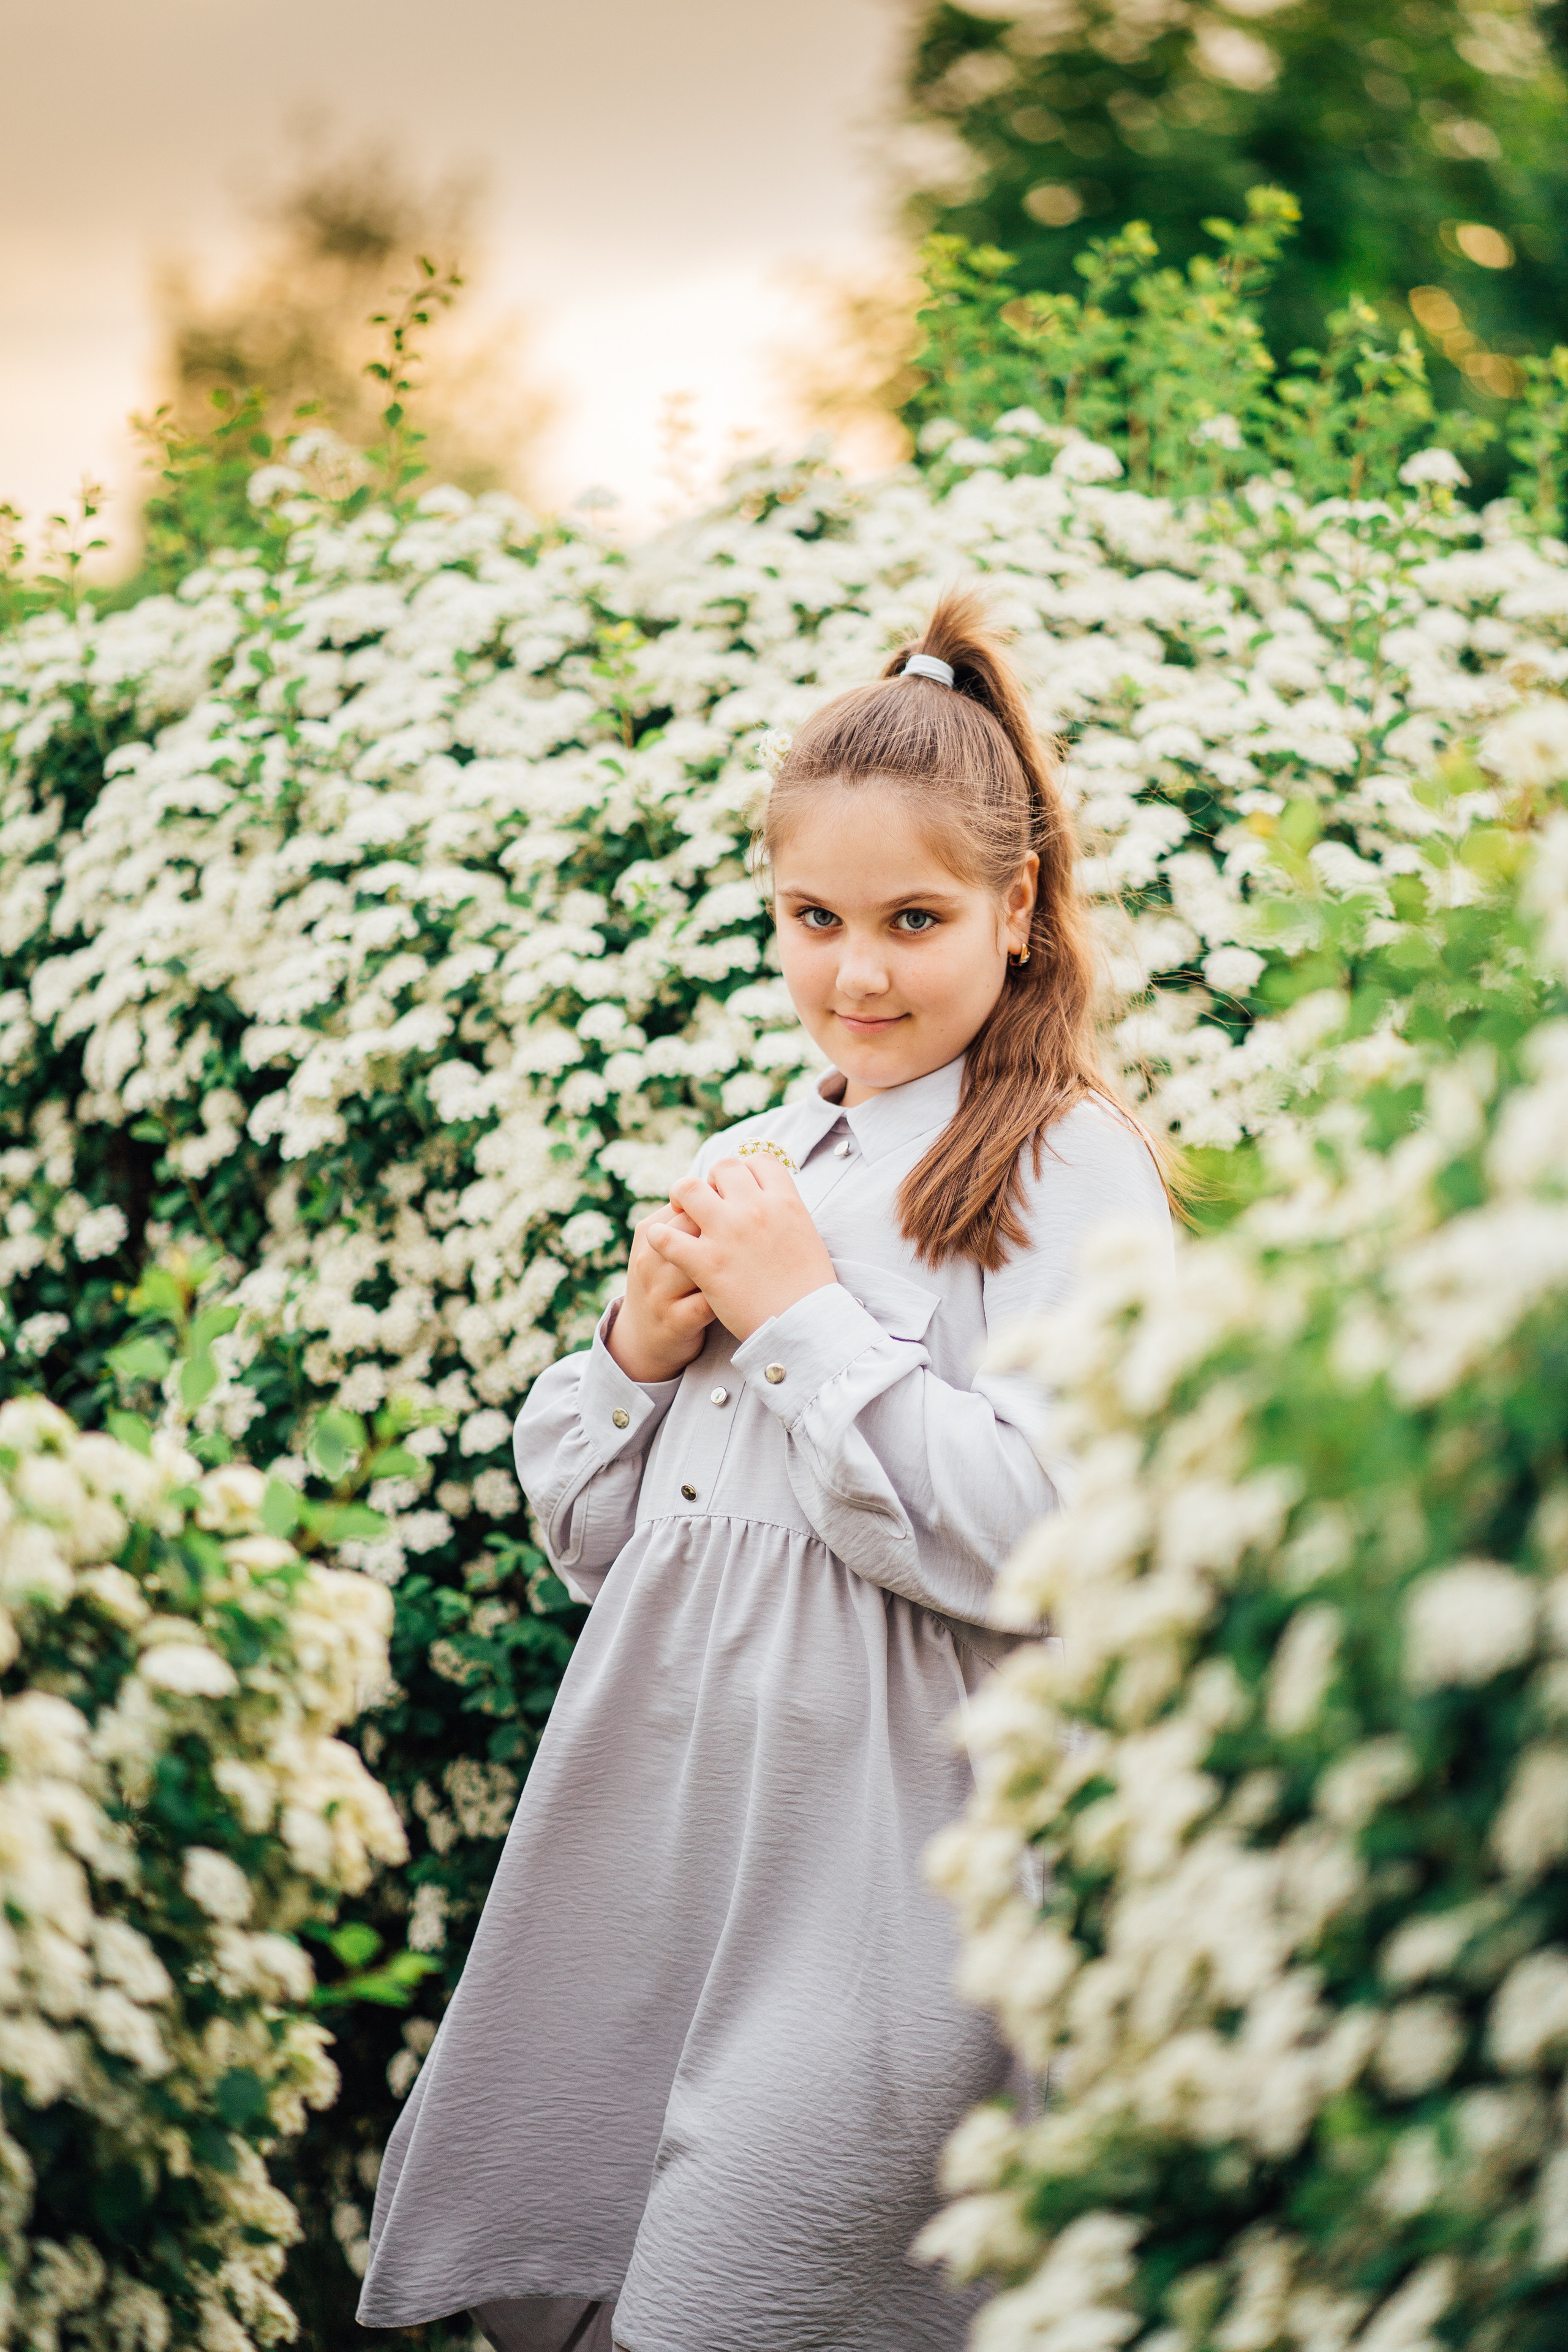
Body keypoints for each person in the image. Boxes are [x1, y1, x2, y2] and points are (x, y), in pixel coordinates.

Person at [356, 589, 1174, 2352]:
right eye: (813, 919)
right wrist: (640, 1358)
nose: (856, 973)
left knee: (754, 2289)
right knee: (584, 2273)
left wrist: (800, 1317)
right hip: (661, 1824)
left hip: (876, 1866)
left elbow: (1063, 1536)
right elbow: (607, 1545)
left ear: (1018, 911)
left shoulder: (1061, 1163)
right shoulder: (764, 1145)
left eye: (913, 919)